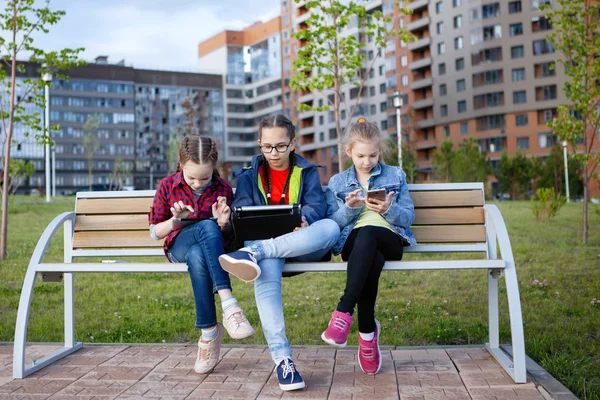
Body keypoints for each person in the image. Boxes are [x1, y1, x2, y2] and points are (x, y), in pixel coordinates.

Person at [218, 114, 339, 391]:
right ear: (260, 144)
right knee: (267, 268)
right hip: (267, 254)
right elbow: (244, 213)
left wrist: (306, 220)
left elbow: (315, 206)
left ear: (293, 143)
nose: (274, 153)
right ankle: (282, 359)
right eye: (268, 147)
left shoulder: (307, 172)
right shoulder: (248, 177)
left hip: (300, 245)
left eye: (281, 146)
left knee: (331, 227)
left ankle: (256, 251)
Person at [148, 135, 255, 374]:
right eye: (192, 177)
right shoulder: (167, 186)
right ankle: (230, 306)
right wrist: (175, 221)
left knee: (199, 251)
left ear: (214, 169)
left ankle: (208, 334)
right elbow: (154, 232)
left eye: (205, 178)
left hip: (207, 254)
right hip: (178, 247)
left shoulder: (223, 189)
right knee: (203, 229)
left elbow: (228, 236)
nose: (198, 184)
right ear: (181, 165)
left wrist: (224, 223)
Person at [322, 118, 416, 375]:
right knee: (368, 252)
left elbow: (408, 217)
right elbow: (332, 223)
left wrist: (389, 209)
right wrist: (349, 209)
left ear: (380, 151)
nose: (367, 161)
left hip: (390, 238)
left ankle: (343, 311)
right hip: (353, 242)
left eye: (373, 155)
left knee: (371, 235)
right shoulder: (338, 183)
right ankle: (366, 333)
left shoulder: (395, 174)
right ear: (349, 151)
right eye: (361, 155)